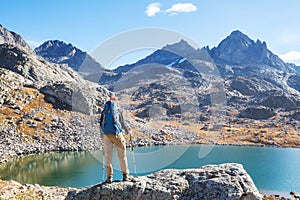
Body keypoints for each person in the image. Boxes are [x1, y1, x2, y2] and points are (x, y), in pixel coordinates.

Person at [100, 95, 130, 183]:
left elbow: (101, 123)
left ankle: (109, 177)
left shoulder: (104, 111)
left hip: (106, 135)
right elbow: (122, 122)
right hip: (117, 134)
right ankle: (125, 176)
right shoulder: (118, 110)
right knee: (122, 156)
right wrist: (127, 131)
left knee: (108, 157)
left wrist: (102, 135)